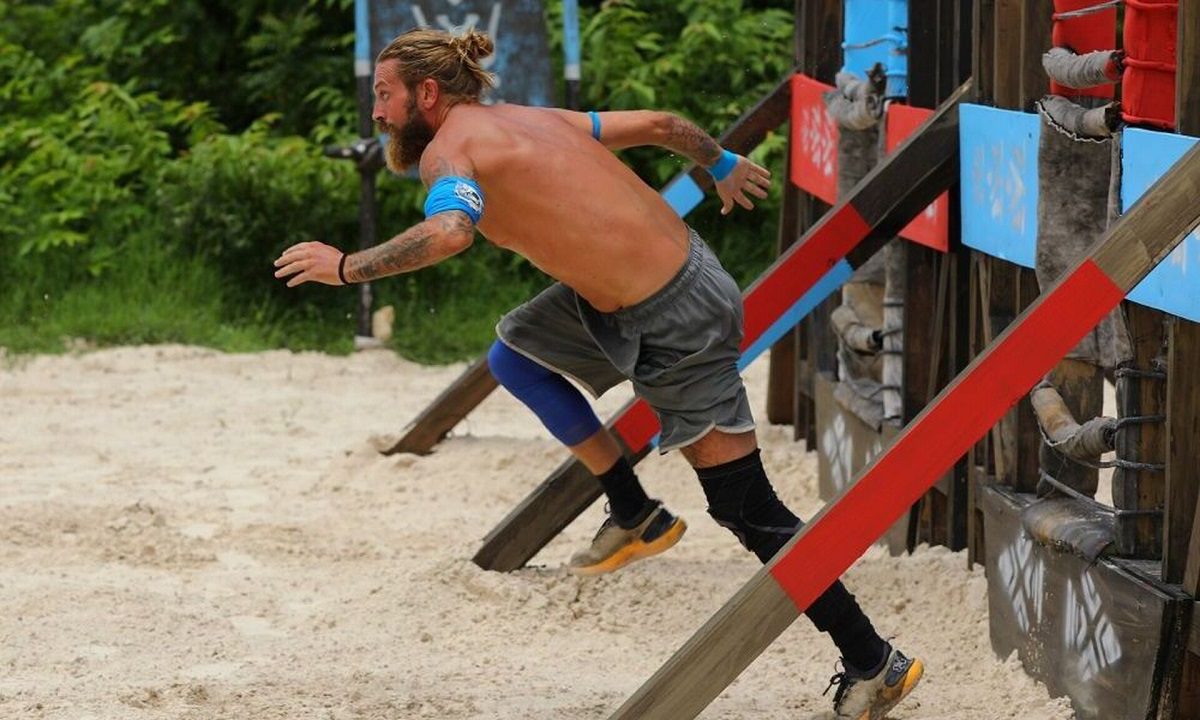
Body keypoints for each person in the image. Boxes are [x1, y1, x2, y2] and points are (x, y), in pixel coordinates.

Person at [273, 28, 923, 718]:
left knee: (746, 508)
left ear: (427, 93)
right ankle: (634, 511)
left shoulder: (449, 153)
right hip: (653, 286)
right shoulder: (534, 118)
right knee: (515, 355)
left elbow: (451, 232)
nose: (376, 112)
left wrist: (346, 267)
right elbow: (662, 125)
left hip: (676, 321)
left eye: (384, 95)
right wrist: (723, 162)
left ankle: (873, 660)